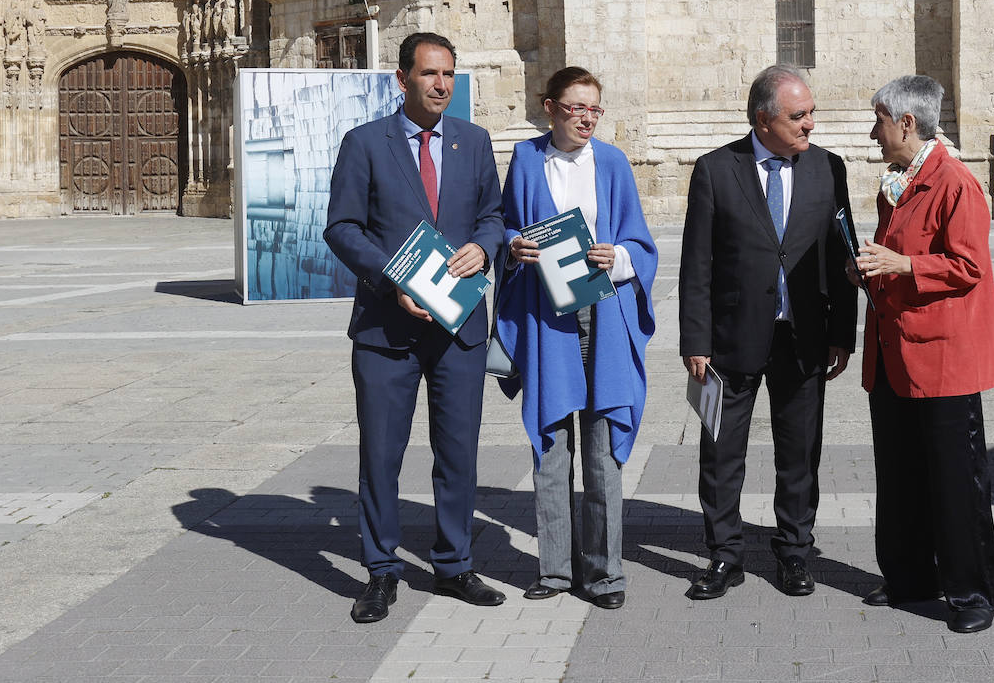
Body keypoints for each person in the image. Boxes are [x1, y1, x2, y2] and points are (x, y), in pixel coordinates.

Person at [324, 32, 507, 624]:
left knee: (458, 452)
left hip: (458, 328)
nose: (441, 85)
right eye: (430, 74)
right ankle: (381, 571)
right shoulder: (364, 144)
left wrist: (483, 247)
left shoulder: (475, 142)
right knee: (381, 453)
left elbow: (492, 216)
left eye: (449, 74)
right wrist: (391, 281)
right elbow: (343, 227)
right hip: (386, 329)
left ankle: (454, 565)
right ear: (401, 79)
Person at [678, 65, 857, 600]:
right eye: (798, 116)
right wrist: (695, 340)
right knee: (720, 450)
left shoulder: (829, 168)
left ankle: (795, 552)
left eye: (811, 113)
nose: (810, 124)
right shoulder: (716, 170)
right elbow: (697, 262)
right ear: (763, 119)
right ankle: (724, 555)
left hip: (804, 335)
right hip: (731, 340)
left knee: (800, 450)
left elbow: (840, 251)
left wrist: (842, 331)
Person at [493, 67, 657, 610]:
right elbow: (507, 226)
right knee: (551, 443)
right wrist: (514, 246)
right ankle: (557, 570)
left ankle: (606, 574)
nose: (586, 118)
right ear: (550, 108)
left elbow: (639, 240)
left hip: (603, 314)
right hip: (547, 316)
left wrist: (621, 258)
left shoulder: (611, 162)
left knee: (602, 447)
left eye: (594, 109)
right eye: (575, 108)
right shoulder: (525, 159)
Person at [854, 74, 994, 634]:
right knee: (899, 472)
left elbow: (968, 266)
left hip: (942, 358)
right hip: (894, 351)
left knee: (953, 478)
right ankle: (909, 576)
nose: (874, 132)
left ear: (906, 123)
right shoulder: (896, 184)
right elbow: (894, 253)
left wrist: (905, 266)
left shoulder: (955, 183)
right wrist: (866, 266)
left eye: (878, 121)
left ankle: (971, 593)